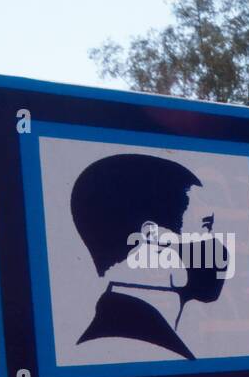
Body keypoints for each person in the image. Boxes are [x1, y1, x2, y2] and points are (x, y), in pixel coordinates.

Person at [71, 153, 231, 360]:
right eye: (204, 228)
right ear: (153, 236)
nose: (219, 248)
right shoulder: (130, 348)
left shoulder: (147, 337)